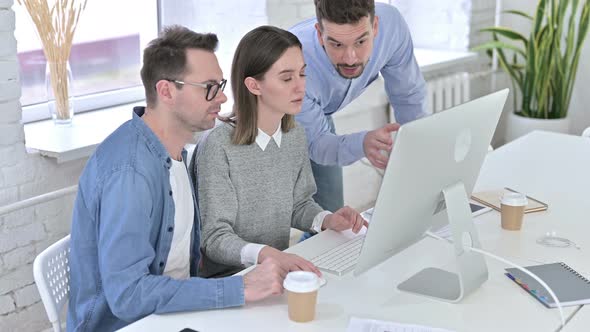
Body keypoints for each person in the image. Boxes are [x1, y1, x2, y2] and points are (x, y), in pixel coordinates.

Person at [67, 26, 286, 332]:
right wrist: (236, 289)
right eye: (209, 87)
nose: (222, 96)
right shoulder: (130, 173)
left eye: (220, 84)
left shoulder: (176, 150)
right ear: (167, 91)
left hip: (174, 316)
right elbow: (128, 296)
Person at [192, 25, 367, 278]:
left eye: (302, 74)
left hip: (278, 273)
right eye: (287, 78)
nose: (300, 87)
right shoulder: (218, 146)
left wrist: (327, 220)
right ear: (254, 86)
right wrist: (265, 254)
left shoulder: (295, 135)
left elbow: (298, 204)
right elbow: (215, 238)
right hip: (232, 282)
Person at [289, 0, 428, 234]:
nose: (351, 58)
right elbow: (318, 144)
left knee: (331, 223)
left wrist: (420, 148)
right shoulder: (295, 60)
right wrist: (363, 143)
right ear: (319, 32)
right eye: (336, 44)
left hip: (316, 117)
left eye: (361, 41)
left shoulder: (391, 27)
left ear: (375, 25)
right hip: (271, 126)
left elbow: (408, 96)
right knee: (273, 230)